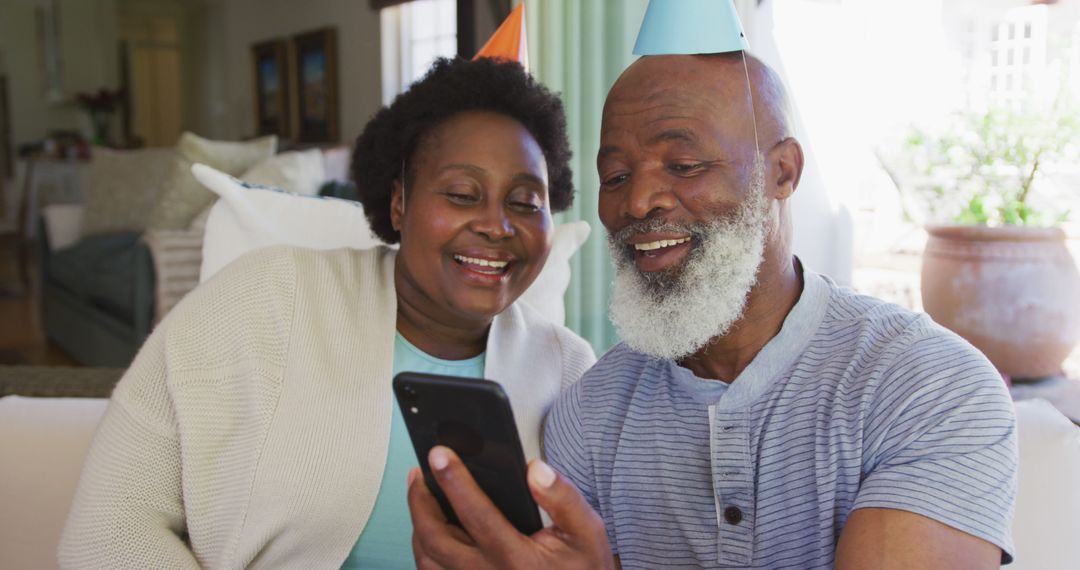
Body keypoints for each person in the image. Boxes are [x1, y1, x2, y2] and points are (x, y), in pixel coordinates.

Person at [407, 52, 1017, 569]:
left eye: (684, 165)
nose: (639, 200)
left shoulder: (930, 386)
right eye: (615, 175)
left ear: (782, 171)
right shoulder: (587, 417)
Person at [58, 56, 596, 569]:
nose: (497, 225)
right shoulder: (260, 301)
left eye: (526, 203)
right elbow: (108, 528)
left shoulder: (570, 371)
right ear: (399, 203)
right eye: (460, 193)